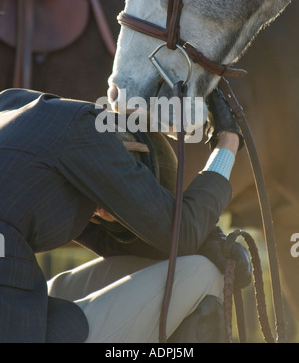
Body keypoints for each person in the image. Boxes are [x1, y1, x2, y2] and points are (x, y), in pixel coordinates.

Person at [0, 87, 251, 343]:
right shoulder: (84, 131)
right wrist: (227, 142)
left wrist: (206, 238)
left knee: (167, 265)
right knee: (203, 273)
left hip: (15, 297)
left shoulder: (11, 105)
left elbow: (155, 245)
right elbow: (181, 234)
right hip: (15, 324)